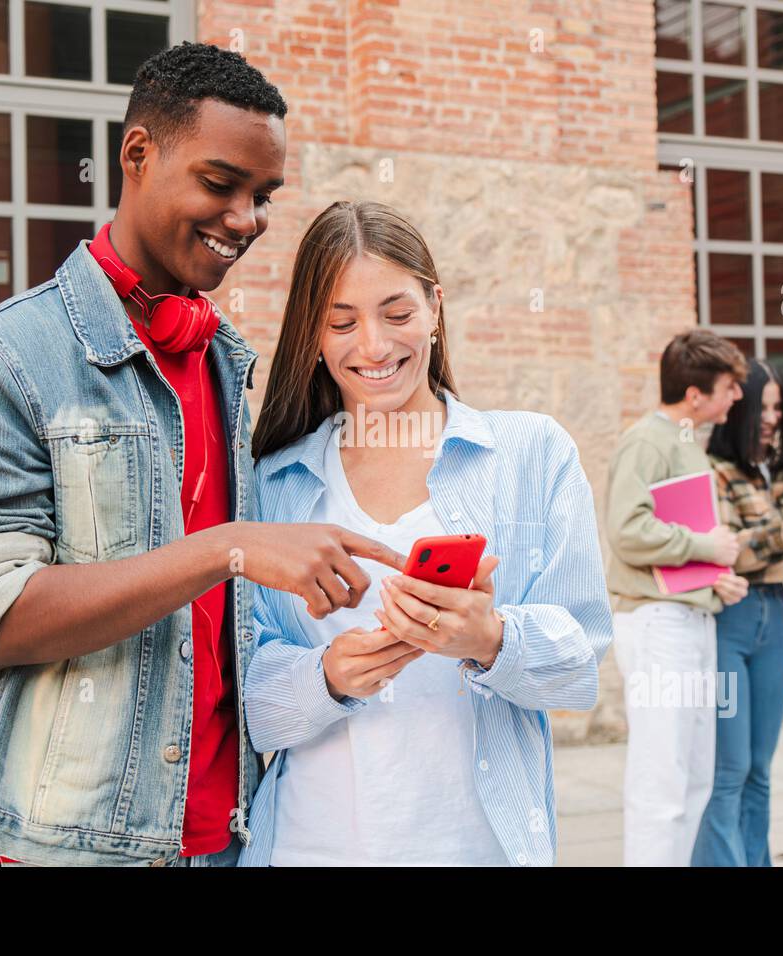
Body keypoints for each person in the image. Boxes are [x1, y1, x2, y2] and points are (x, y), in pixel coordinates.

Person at [0, 44, 406, 867]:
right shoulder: (2, 362)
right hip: (65, 847)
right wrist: (229, 549)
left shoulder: (224, 359)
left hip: (222, 834)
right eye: (220, 183)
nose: (246, 219)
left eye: (263, 196)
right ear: (136, 155)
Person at [237, 200, 613, 866]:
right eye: (341, 323)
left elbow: (579, 670)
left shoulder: (531, 455)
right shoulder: (276, 482)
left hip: (474, 848)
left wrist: (491, 640)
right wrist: (326, 675)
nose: (374, 346)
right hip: (308, 846)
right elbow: (249, 708)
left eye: (398, 313)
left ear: (435, 308)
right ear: (313, 337)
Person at [605, 328, 750, 867]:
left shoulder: (686, 443)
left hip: (689, 618)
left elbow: (671, 537)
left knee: (693, 779)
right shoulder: (647, 440)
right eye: (729, 386)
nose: (737, 396)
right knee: (661, 779)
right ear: (696, 395)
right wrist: (704, 544)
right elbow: (627, 530)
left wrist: (714, 575)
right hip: (657, 624)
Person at [691, 358, 783, 866]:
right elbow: (729, 550)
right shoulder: (714, 470)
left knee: (762, 769)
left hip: (778, 616)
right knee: (729, 768)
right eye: (762, 406)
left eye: (779, 406)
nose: (772, 417)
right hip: (730, 617)